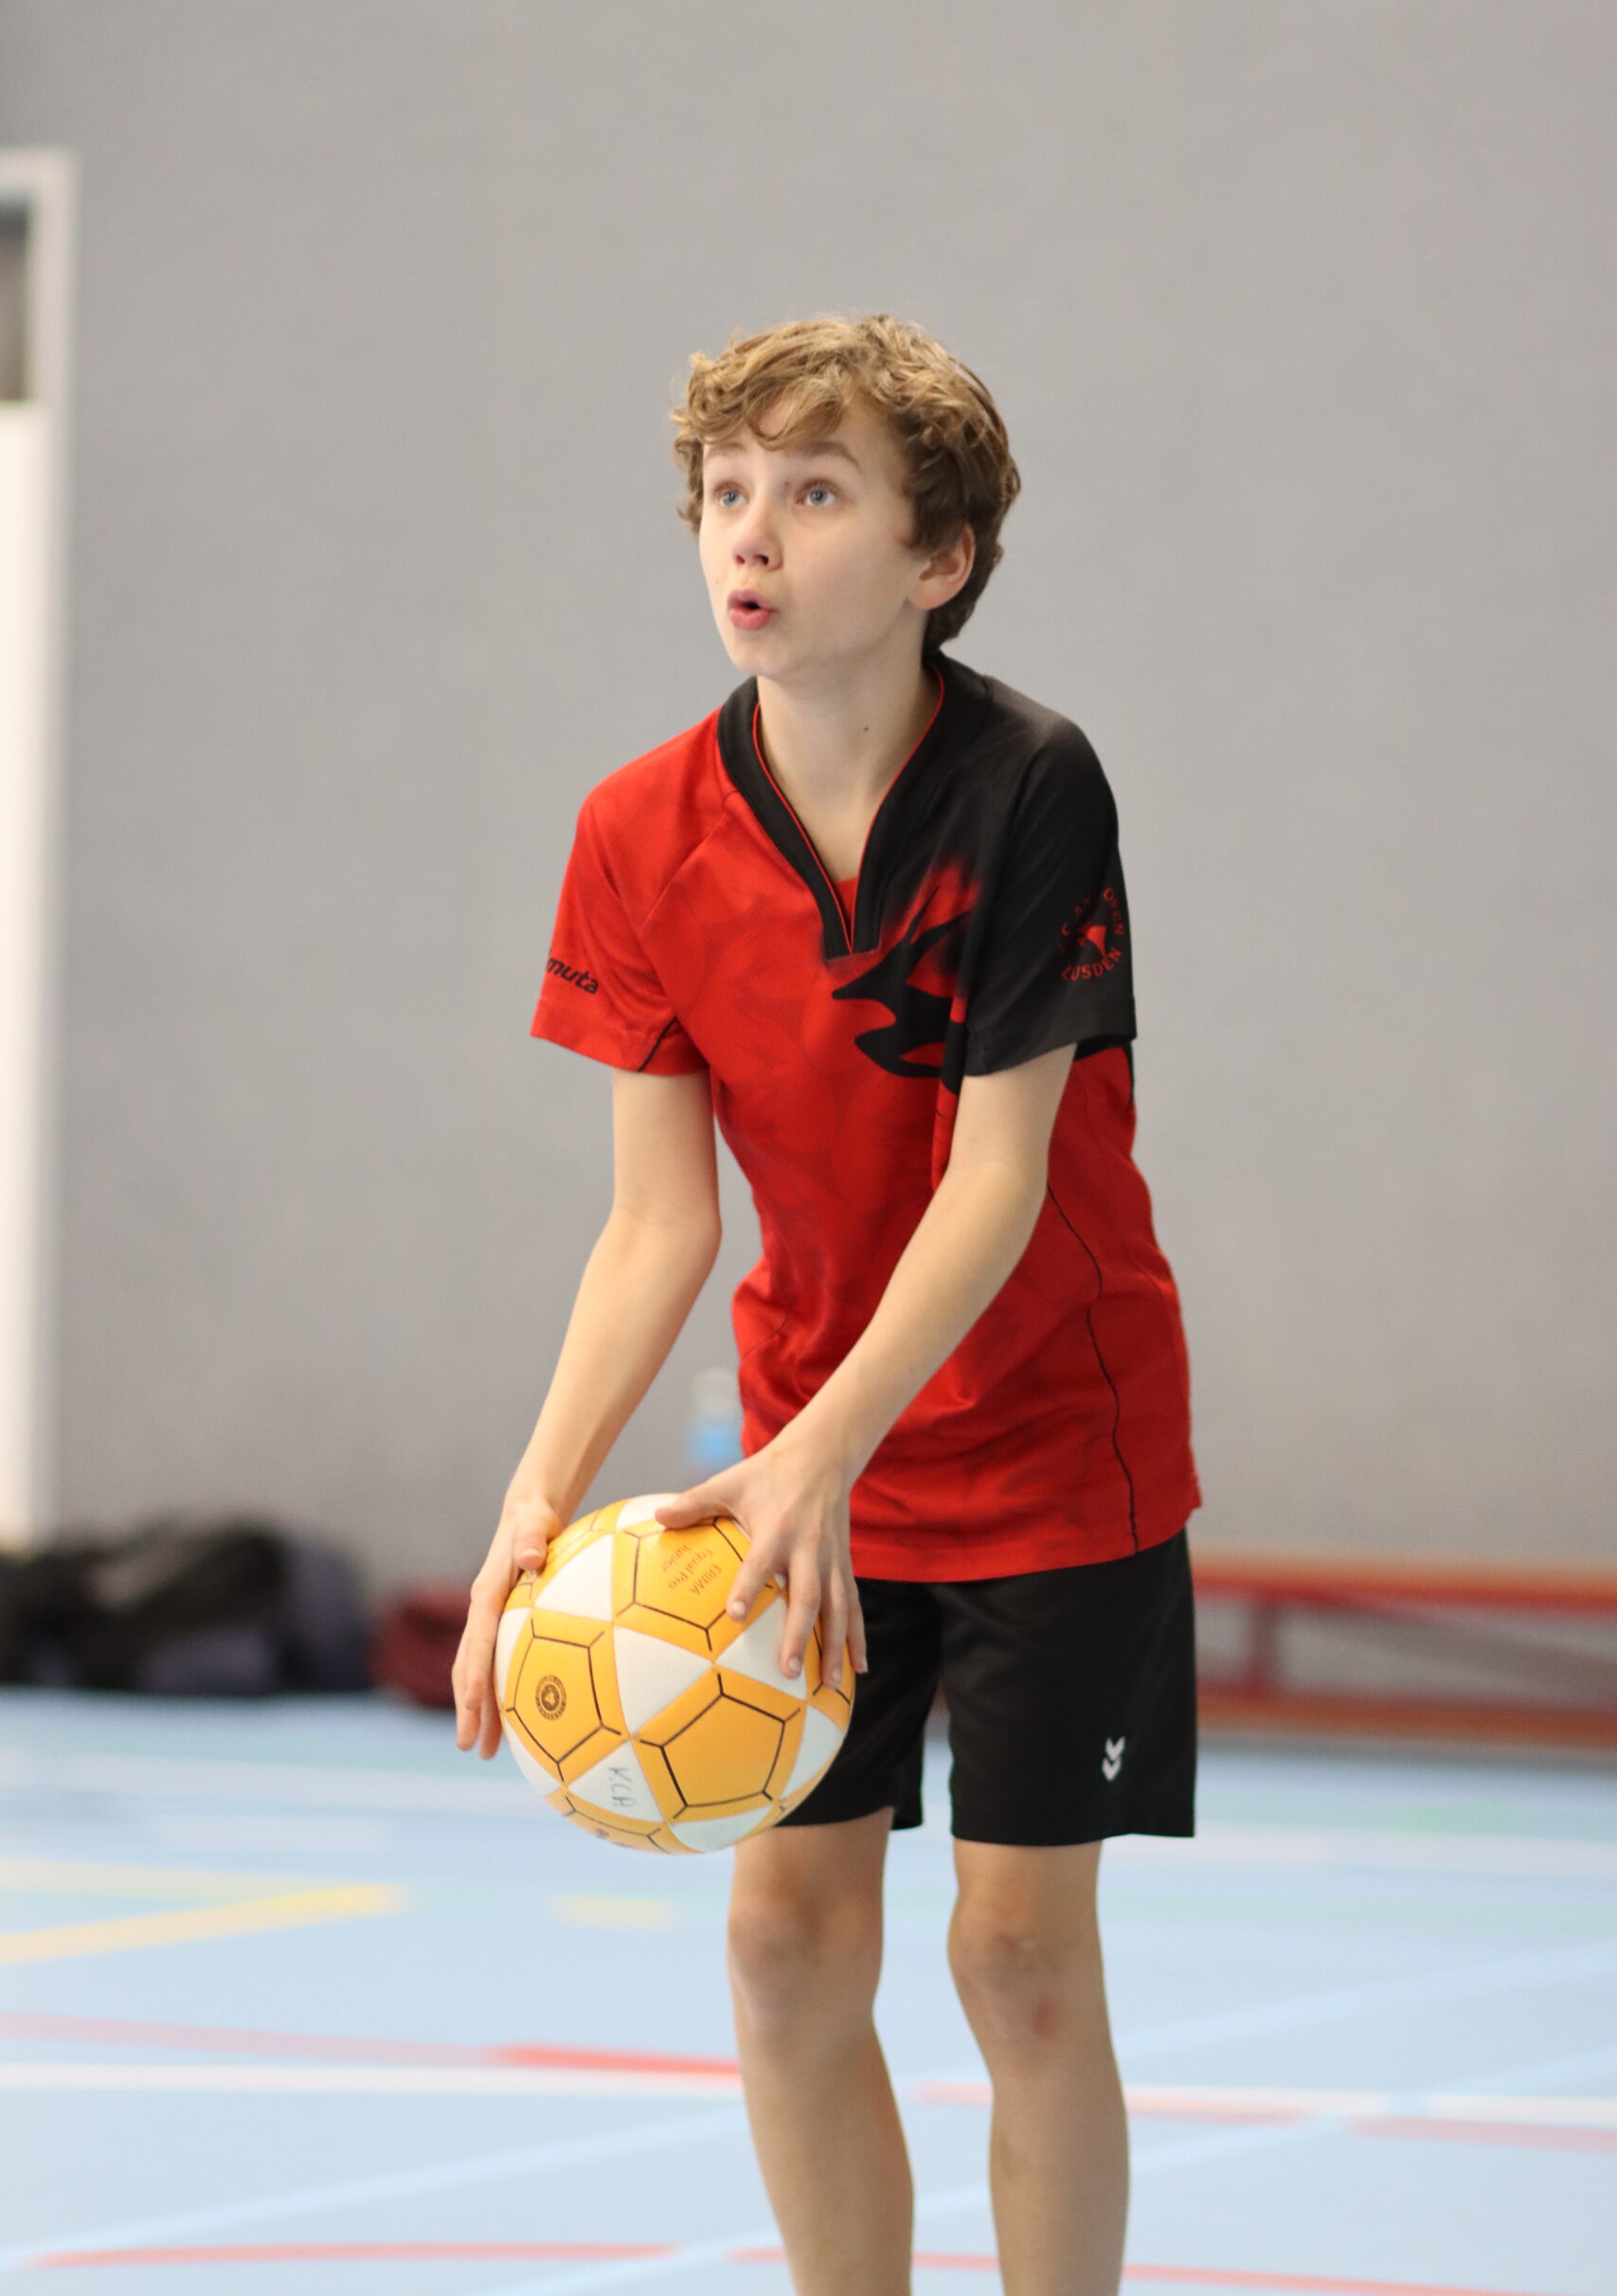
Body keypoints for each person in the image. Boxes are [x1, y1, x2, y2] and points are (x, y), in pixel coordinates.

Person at [453, 312, 1201, 2296]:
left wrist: (817, 1458)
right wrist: (538, 1499)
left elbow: (996, 1176)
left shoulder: (1032, 785)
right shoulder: (636, 830)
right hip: (804, 1456)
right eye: (724, 492)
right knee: (785, 1945)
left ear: (938, 557)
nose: (750, 533)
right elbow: (656, 1223)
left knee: (1017, 1962)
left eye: (812, 490)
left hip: (1052, 1444)